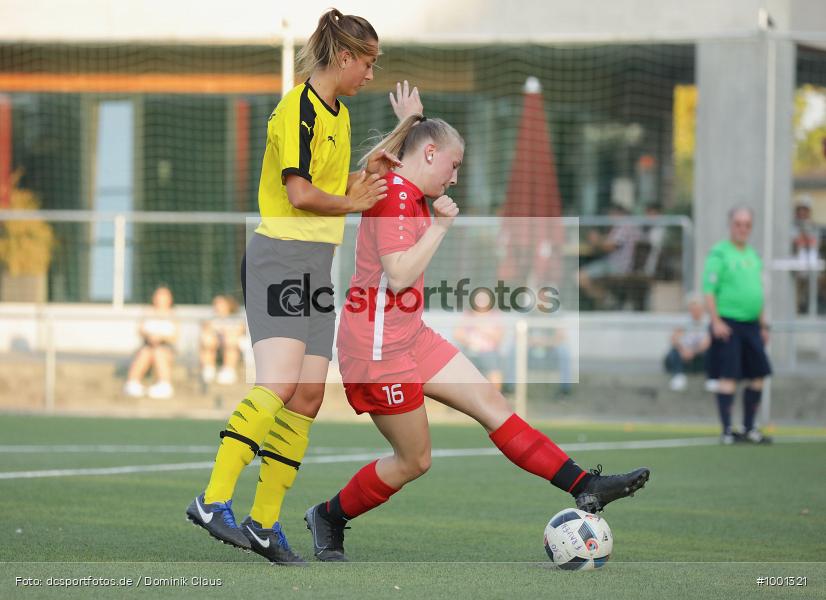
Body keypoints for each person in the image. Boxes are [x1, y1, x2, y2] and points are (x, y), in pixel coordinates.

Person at [302, 115, 650, 562]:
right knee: (414, 460)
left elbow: (405, 155)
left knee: (495, 407)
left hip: (409, 335)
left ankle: (586, 486)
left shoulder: (403, 184)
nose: (456, 176)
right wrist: (443, 228)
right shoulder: (395, 197)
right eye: (454, 164)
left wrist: (412, 117)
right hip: (376, 349)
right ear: (429, 155)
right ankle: (328, 516)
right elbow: (399, 272)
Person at [185, 8, 424, 565]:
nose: (371, 73)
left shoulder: (336, 113)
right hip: (279, 256)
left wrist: (390, 148)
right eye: (368, 62)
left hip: (316, 265)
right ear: (343, 57)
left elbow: (338, 183)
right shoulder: (296, 108)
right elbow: (299, 193)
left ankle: (264, 524)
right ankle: (212, 499)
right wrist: (353, 199)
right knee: (278, 382)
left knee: (310, 396)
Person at [703, 206, 772, 445]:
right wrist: (716, 321)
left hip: (752, 325)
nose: (742, 228)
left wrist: (764, 325)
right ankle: (727, 431)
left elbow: (758, 292)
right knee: (728, 375)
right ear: (730, 225)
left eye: (747, 224)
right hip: (728, 323)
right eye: (738, 224)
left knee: (758, 374)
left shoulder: (753, 255)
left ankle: (750, 428)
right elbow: (709, 291)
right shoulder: (719, 254)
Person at [579, 204, 642, 307]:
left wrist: (596, 240)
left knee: (581, 276)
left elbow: (610, 247)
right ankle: (605, 300)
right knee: (594, 275)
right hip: (623, 265)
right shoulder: (630, 225)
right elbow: (611, 241)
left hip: (618, 266)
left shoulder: (624, 226)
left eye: (610, 215)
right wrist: (599, 239)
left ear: (617, 214)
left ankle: (606, 300)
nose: (609, 218)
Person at [124, 285, 178, 399]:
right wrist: (150, 336)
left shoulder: (173, 315)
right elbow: (140, 330)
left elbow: (175, 337)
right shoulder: (147, 312)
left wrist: (161, 338)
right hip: (147, 345)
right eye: (159, 295)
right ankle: (132, 383)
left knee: (158, 351)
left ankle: (164, 384)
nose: (161, 298)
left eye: (164, 295)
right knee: (146, 352)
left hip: (165, 348)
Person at [453, 288, 505, 391]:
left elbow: (499, 337)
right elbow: (457, 334)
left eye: (484, 299)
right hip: (470, 350)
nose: (481, 301)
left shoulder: (494, 315)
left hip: (489, 352)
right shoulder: (469, 315)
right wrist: (468, 340)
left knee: (494, 372)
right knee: (463, 369)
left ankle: (495, 398)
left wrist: (483, 330)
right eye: (479, 299)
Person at [663, 293, 710, 391]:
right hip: (683, 355)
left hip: (698, 356)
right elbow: (674, 339)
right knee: (673, 352)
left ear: (702, 309)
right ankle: (678, 376)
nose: (695, 312)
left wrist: (693, 351)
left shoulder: (707, 323)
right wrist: (683, 350)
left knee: (711, 352)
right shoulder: (683, 322)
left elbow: (706, 343)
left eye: (698, 309)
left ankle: (712, 378)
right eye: (692, 309)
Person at [199, 295, 245, 385]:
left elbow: (239, 332)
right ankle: (208, 368)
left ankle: (229, 369)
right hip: (216, 345)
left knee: (230, 340)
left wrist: (224, 333)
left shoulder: (236, 319)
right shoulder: (211, 319)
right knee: (208, 339)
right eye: (216, 304)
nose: (217, 306)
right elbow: (205, 331)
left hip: (231, 345)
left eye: (220, 304)